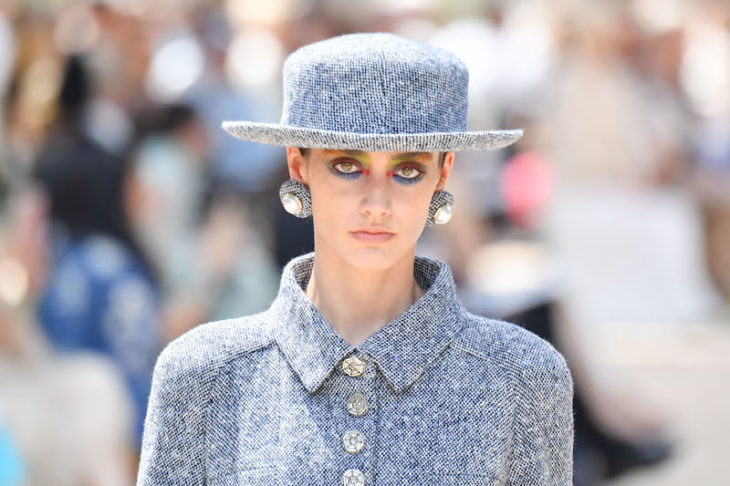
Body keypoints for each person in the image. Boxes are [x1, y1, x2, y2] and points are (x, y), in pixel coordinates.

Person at [136, 33, 573, 485]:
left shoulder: (523, 377)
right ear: (298, 165)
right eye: (348, 165)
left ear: (443, 173)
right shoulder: (201, 376)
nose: (377, 203)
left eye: (407, 170)